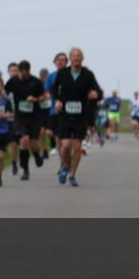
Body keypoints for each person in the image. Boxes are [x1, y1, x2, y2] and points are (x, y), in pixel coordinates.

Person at [53, 47, 102, 187]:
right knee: (65, 146)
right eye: (74, 56)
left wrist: (96, 95)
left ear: (82, 58)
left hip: (81, 116)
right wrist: (57, 100)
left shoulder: (88, 74)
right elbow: (54, 89)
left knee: (78, 146)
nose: (76, 58)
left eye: (79, 56)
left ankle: (72, 174)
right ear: (70, 58)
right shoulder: (62, 73)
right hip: (64, 114)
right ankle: (65, 166)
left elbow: (98, 91)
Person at [4, 60, 44, 180]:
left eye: (27, 72)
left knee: (34, 144)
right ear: (20, 71)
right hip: (20, 118)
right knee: (24, 141)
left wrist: (36, 99)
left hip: (34, 118)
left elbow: (44, 96)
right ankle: (25, 170)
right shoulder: (13, 81)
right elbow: (4, 93)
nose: (25, 75)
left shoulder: (36, 82)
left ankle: (37, 154)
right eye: (23, 73)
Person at [43, 52, 68, 170]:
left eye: (63, 60)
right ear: (55, 62)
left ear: (66, 62)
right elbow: (46, 90)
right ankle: (63, 163)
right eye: (58, 59)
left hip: (69, 112)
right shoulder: (51, 76)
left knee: (67, 142)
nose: (60, 61)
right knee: (58, 139)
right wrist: (47, 95)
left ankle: (67, 159)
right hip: (55, 111)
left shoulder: (70, 75)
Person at [4, 63, 21, 175]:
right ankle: (14, 164)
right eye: (12, 71)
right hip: (9, 120)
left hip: (21, 119)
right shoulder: (5, 87)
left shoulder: (22, 85)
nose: (14, 73)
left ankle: (22, 162)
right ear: (8, 72)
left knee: (22, 143)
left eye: (16, 70)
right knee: (13, 144)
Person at [37, 67, 53, 162]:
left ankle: (54, 145)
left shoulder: (51, 84)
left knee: (49, 132)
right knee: (41, 132)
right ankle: (45, 151)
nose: (44, 78)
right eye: (42, 76)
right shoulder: (38, 85)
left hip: (50, 110)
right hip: (41, 111)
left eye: (45, 76)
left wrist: (49, 96)